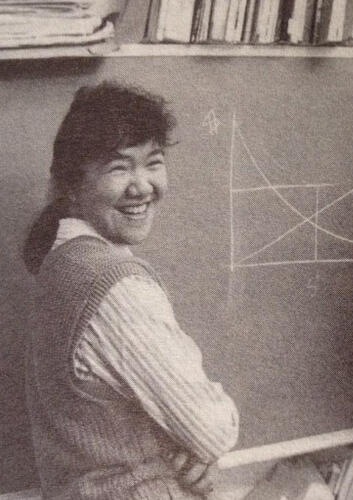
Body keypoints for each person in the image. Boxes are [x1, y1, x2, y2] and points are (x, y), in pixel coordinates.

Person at [23, 82, 239, 499]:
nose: (142, 186)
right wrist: (196, 443)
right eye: (119, 168)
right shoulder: (117, 287)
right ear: (72, 184)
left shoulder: (56, 265)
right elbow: (212, 431)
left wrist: (177, 446)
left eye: (153, 162)